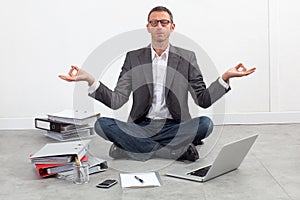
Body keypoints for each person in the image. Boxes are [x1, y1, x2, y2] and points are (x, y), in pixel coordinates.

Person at [59, 6, 256, 162]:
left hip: (176, 126)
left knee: (205, 124)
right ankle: (174, 151)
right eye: (154, 23)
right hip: (141, 126)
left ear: (172, 27)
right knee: (102, 124)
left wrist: (225, 78)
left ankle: (132, 149)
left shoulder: (187, 58)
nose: (159, 26)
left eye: (164, 22)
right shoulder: (134, 58)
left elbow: (202, 100)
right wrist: (89, 79)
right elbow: (117, 101)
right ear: (148, 27)